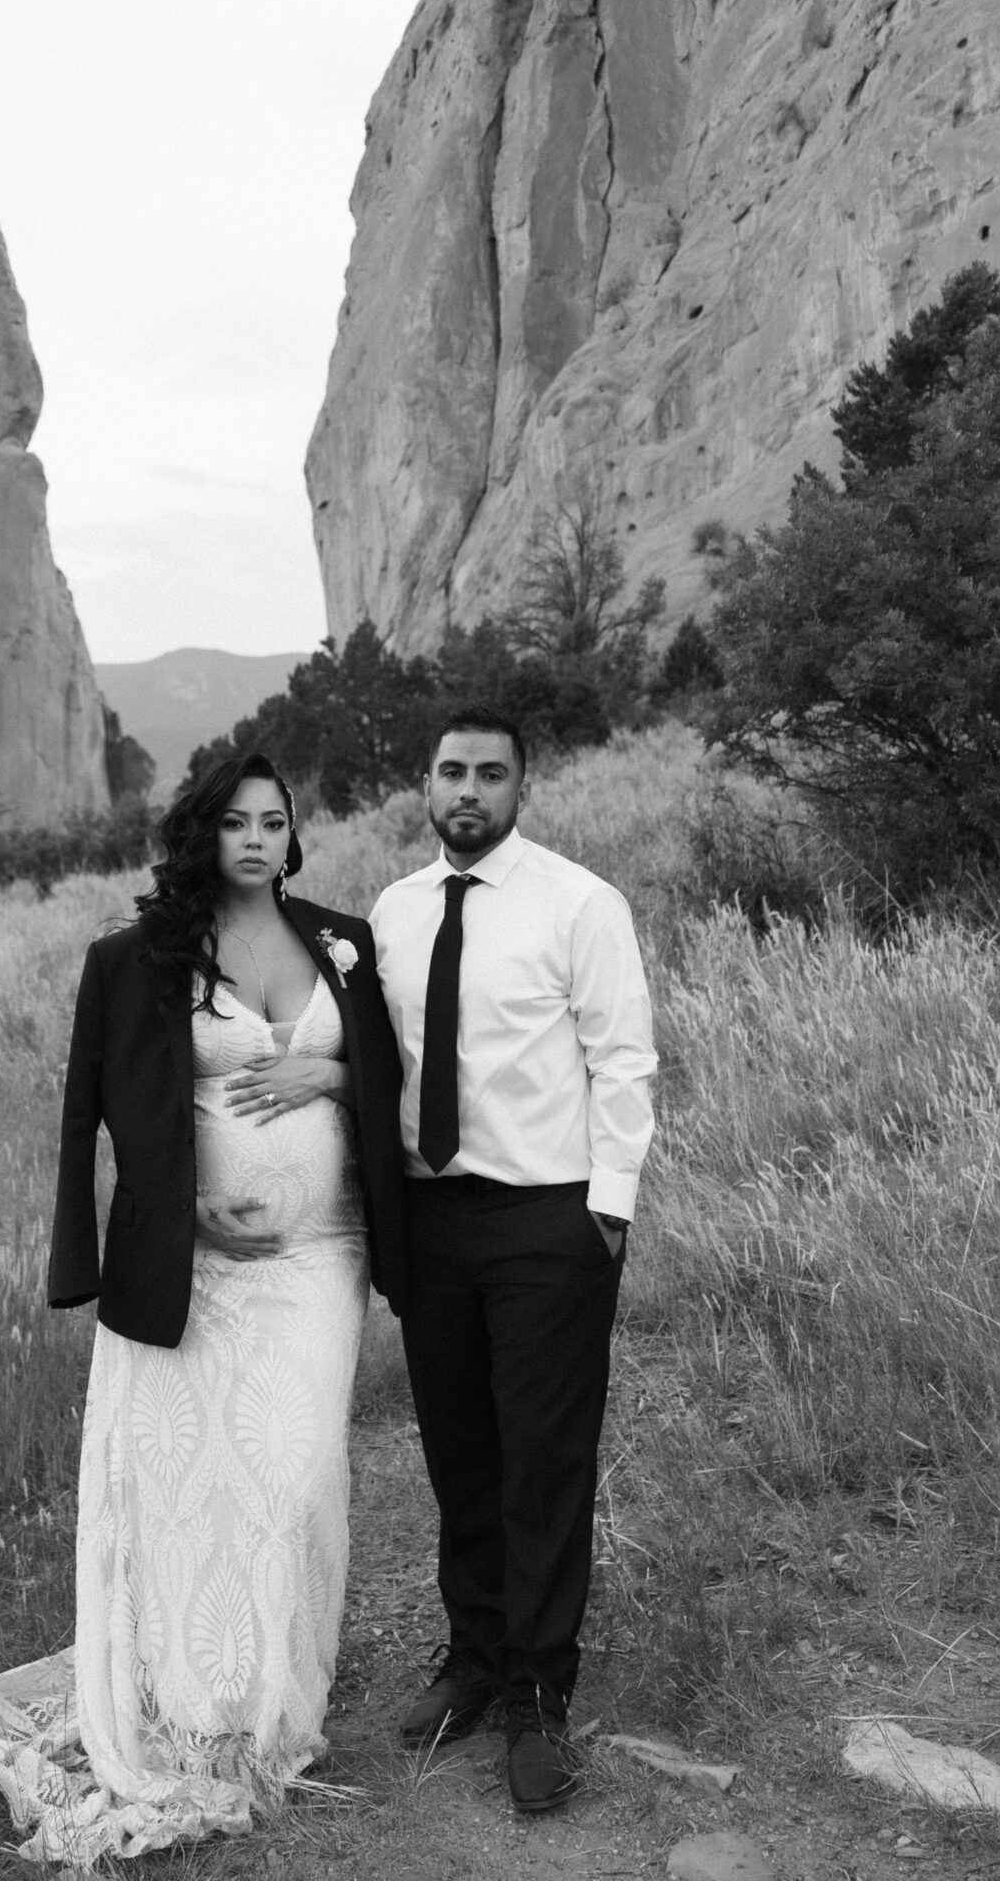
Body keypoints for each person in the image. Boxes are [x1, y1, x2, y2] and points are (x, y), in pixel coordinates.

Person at [0, 751, 407, 1864]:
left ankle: (273, 1715)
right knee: (186, 1482)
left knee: (296, 1471)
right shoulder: (134, 958)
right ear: (204, 833)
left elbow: (403, 1073)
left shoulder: (342, 940)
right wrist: (175, 1204)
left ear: (294, 833)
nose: (259, 838)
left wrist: (337, 1077)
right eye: (238, 821)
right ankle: (200, 1702)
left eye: (277, 820)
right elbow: (89, 1113)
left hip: (322, 1254)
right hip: (191, 1271)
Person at [369, 706, 656, 1817]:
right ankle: (475, 1660)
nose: (470, 791)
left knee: (544, 1461)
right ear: (425, 784)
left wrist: (610, 1208)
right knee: (460, 1452)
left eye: (492, 773)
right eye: (452, 772)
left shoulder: (581, 903)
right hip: (433, 1221)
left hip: (548, 1218)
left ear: (523, 787)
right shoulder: (392, 915)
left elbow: (623, 1060)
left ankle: (541, 1694)